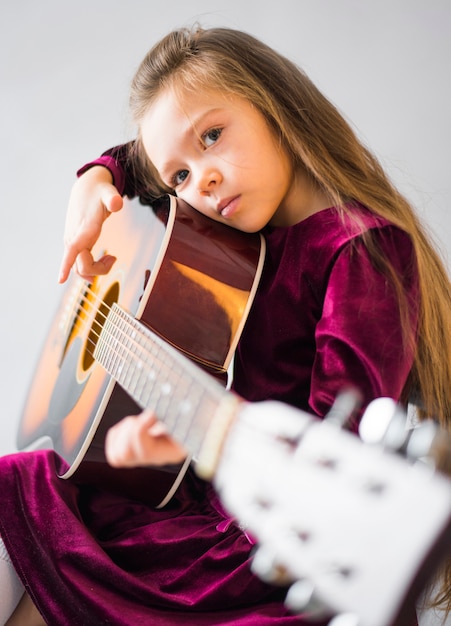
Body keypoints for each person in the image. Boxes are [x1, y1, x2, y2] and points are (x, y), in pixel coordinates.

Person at [1, 24, 451, 625]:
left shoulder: (359, 248)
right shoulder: (232, 240)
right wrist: (96, 178)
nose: (202, 183)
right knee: (17, 482)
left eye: (213, 136)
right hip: (181, 495)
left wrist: (218, 440)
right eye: (180, 178)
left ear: (273, 102)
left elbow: (337, 433)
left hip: (250, 544)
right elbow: (141, 158)